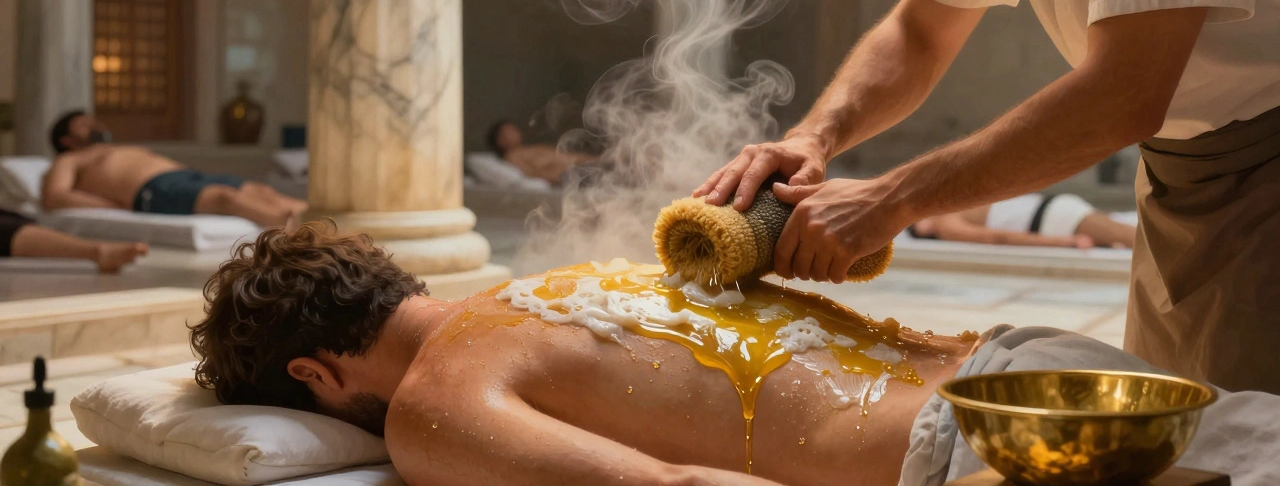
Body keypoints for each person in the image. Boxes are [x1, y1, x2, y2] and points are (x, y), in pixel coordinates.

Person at [699, 0, 1280, 394]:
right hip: (1175, 181)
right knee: (1179, 424)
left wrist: (892, 198)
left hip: (1266, 171)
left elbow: (1125, 94)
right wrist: (813, 137)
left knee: (1243, 444)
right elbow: (919, 34)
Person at [189, 224, 1280, 486]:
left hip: (977, 454)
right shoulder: (574, 266)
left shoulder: (437, 400)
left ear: (313, 377)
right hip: (1022, 360)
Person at [43, 111, 306, 228]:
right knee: (227, 199)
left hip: (183, 176)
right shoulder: (68, 160)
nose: (92, 125)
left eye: (91, 120)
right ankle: (308, 234)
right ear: (65, 139)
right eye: (82, 124)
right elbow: (54, 197)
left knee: (263, 191)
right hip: (151, 189)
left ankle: (332, 223)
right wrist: (113, 206)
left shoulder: (112, 148)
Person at [908, 192, 1135, 249]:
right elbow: (998, 238)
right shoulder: (946, 224)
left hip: (1052, 212)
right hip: (1051, 217)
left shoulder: (952, 209)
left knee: (1132, 236)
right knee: (1132, 237)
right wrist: (1064, 241)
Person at [0, 208, 147, 272]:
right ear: (67, 142)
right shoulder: (69, 161)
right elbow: (55, 196)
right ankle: (97, 252)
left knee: (17, 219)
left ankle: (97, 252)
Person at [487, 119, 593, 186]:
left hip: (583, 164)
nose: (515, 132)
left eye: (513, 129)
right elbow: (531, 174)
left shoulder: (534, 148)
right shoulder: (512, 156)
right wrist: (555, 174)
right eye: (508, 132)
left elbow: (568, 157)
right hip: (569, 174)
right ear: (500, 141)